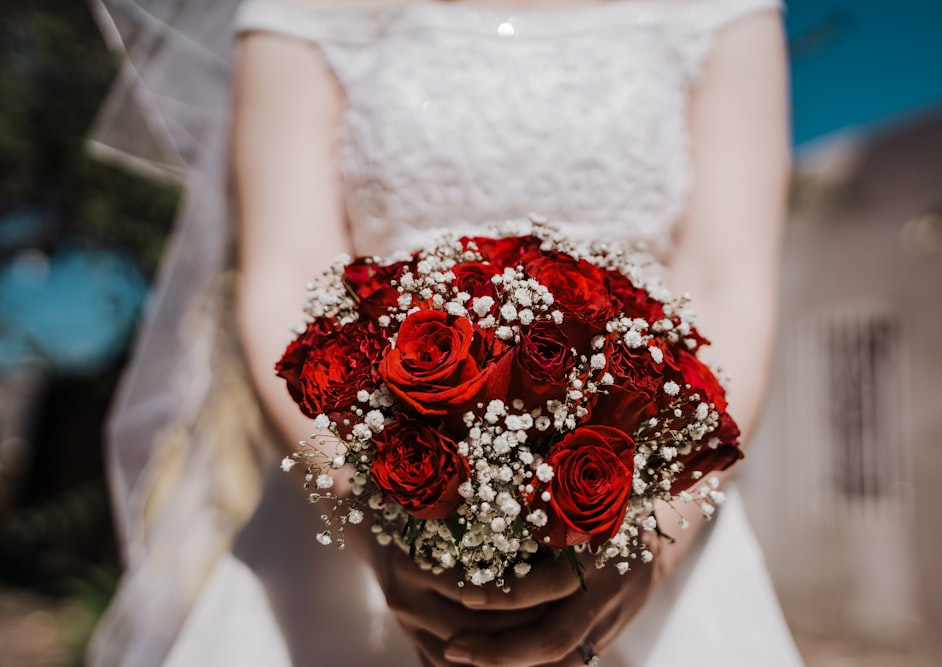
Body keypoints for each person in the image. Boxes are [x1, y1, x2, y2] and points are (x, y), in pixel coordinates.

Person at [88, 0, 802, 665]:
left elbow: (728, 289)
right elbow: (284, 276)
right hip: (353, 509)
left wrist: (650, 549)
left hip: (647, 513)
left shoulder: (719, 10)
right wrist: (380, 528)